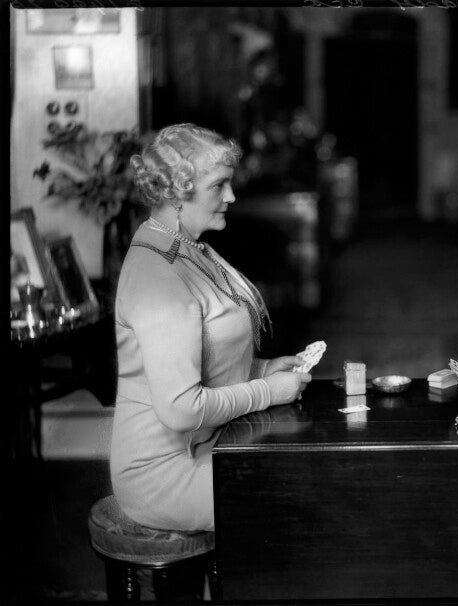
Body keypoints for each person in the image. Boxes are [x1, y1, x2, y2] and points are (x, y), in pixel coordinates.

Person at [111, 123, 311, 531]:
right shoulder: (157, 276)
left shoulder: (188, 247)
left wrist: (259, 369)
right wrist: (268, 391)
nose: (231, 196)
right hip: (165, 473)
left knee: (305, 470)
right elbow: (181, 408)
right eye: (219, 185)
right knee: (293, 502)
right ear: (176, 192)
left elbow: (201, 358)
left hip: (207, 442)